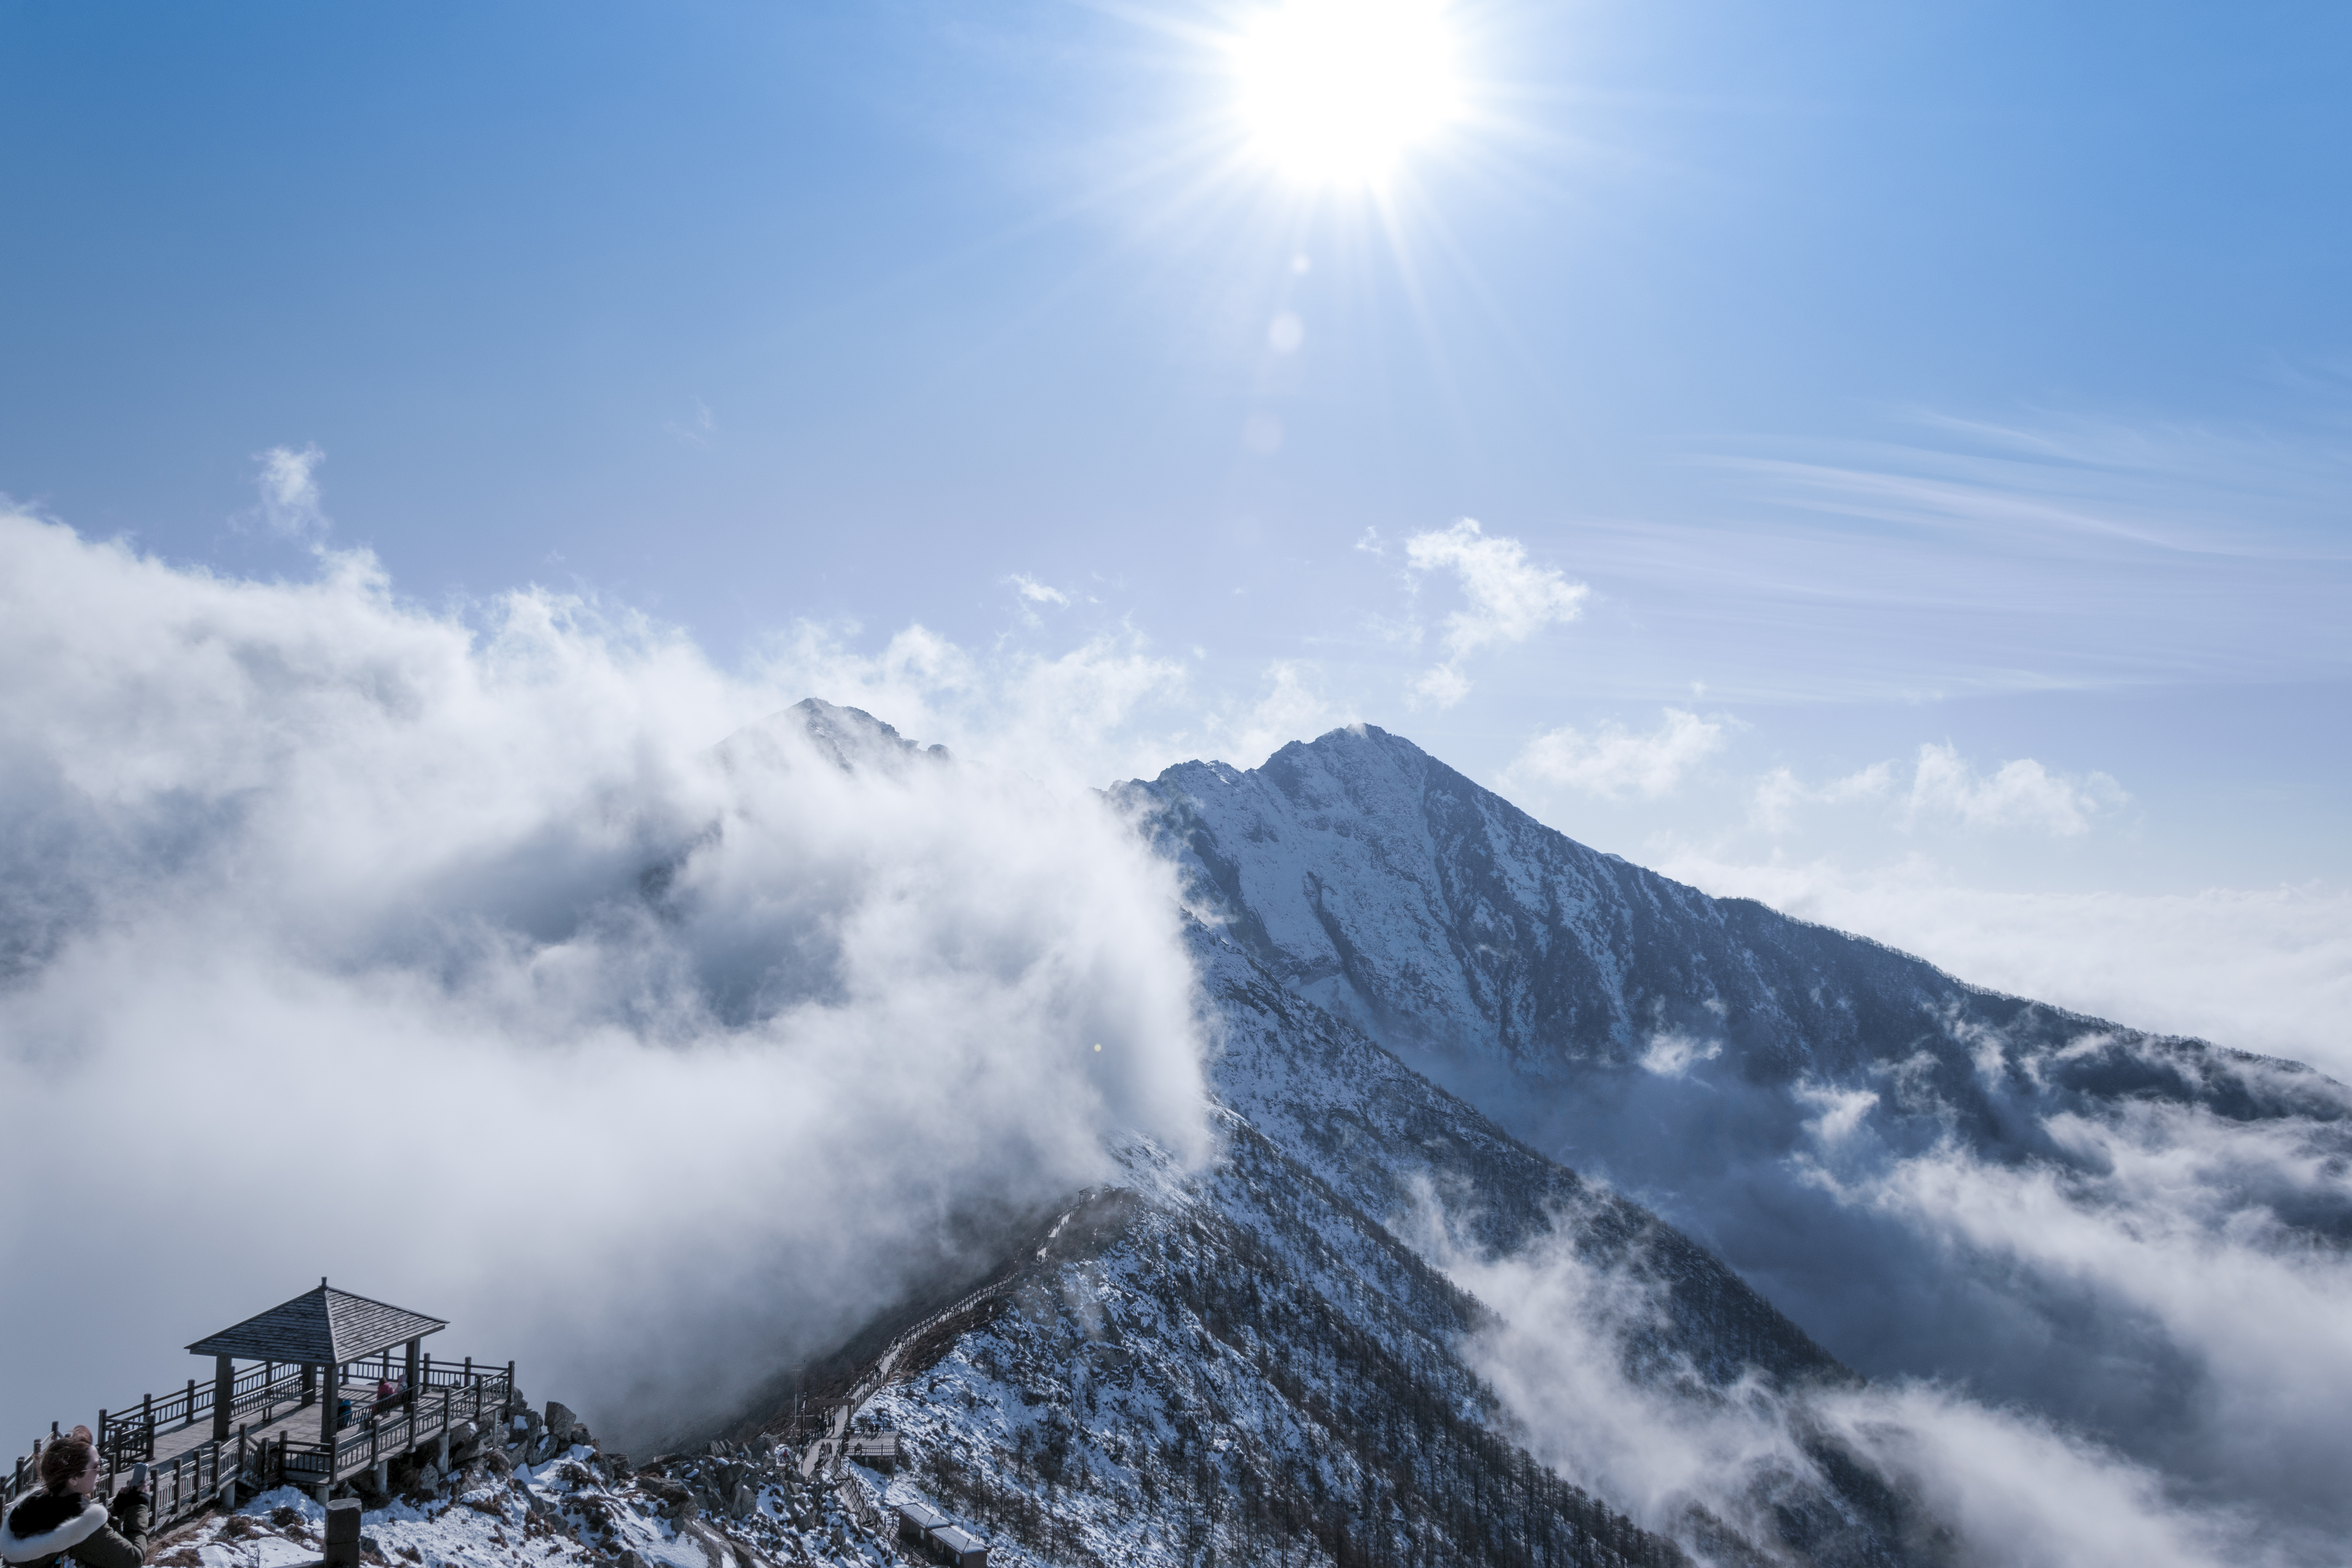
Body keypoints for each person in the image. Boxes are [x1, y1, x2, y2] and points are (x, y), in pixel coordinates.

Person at [0, 1429, 148, 1568]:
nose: (100, 1471)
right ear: (74, 1478)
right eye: (97, 1466)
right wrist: (137, 1506)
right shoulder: (82, 1527)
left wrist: (118, 1508)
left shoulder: (31, 1511)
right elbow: (133, 1560)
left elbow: (84, 1535)